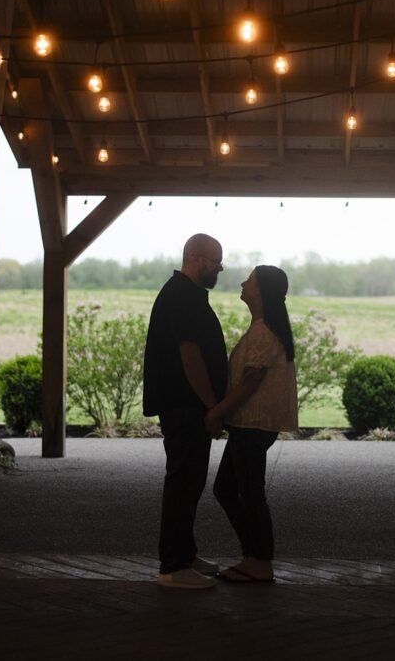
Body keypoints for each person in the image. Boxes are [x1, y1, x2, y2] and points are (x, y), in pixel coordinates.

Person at [143, 233, 228, 589]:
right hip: (185, 405)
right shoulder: (182, 297)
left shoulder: (186, 294)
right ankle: (173, 567)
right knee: (182, 483)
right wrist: (213, 405)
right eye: (215, 262)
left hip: (187, 404)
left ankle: (186, 554)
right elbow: (190, 357)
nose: (219, 269)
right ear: (195, 257)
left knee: (190, 482)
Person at [206, 265, 298, 583]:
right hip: (250, 425)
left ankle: (259, 561)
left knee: (248, 493)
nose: (244, 283)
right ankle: (254, 557)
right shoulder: (263, 326)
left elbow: (249, 384)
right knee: (232, 489)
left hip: (253, 425)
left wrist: (216, 412)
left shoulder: (263, 332)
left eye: (251, 280)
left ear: (262, 291)